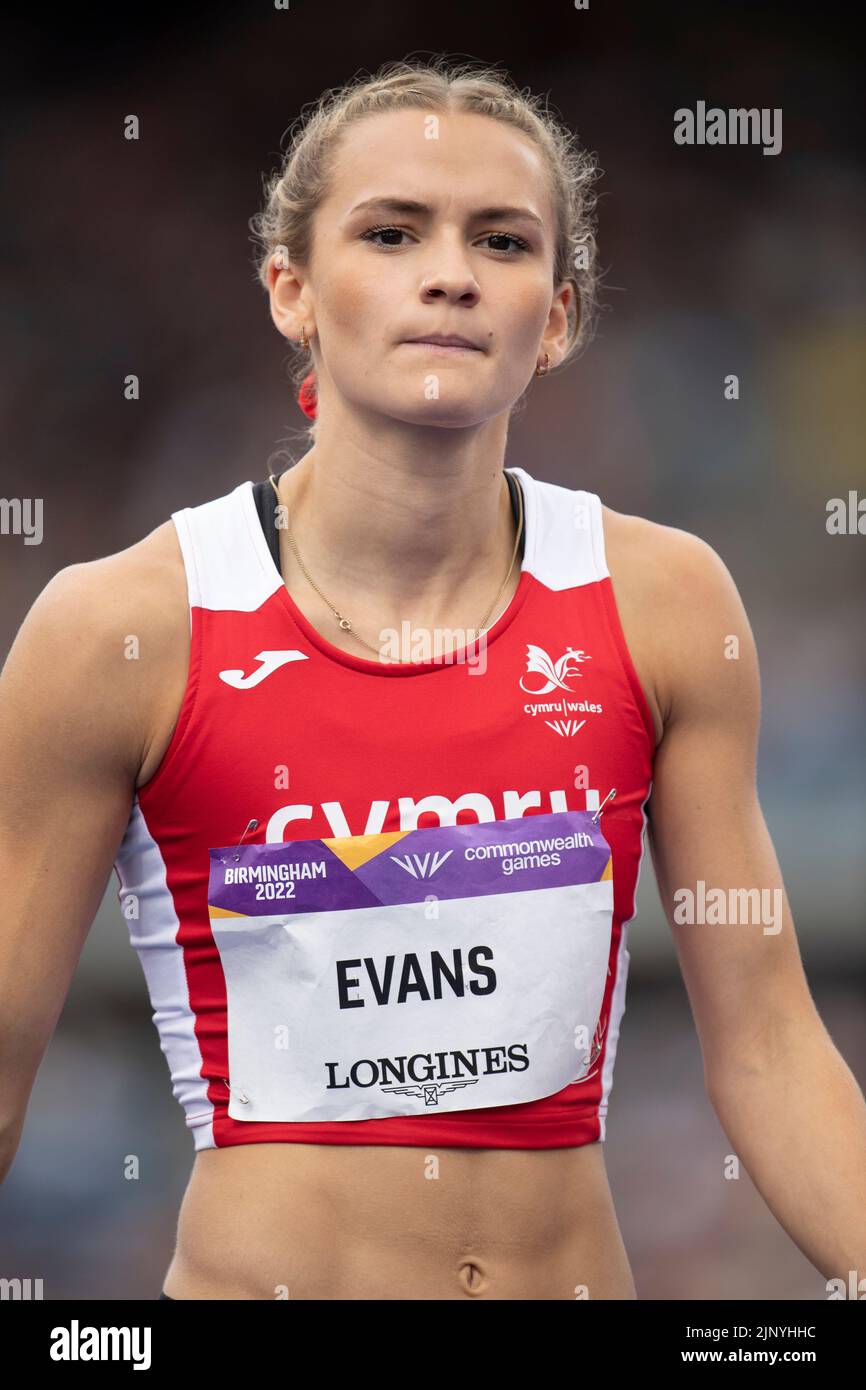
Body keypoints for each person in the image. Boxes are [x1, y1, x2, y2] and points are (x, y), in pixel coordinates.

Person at [2, 56, 864, 1303]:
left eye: (501, 241)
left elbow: (772, 1048)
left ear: (557, 316)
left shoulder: (663, 603)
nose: (449, 271)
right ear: (290, 289)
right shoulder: (122, 628)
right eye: (392, 231)